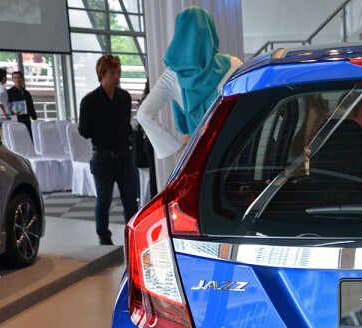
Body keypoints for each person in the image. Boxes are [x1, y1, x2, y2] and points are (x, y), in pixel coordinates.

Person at [137, 6, 242, 161]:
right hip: (236, 150)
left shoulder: (172, 75)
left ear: (180, 34)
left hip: (200, 158)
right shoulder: (234, 65)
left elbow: (143, 114)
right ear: (210, 32)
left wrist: (179, 148)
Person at [78, 54, 139, 245]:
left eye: (119, 72)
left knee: (131, 200)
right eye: (113, 73)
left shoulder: (124, 97)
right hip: (103, 157)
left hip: (125, 155)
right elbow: (84, 130)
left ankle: (133, 235)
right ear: (101, 74)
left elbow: (126, 125)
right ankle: (103, 235)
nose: (117, 77)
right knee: (104, 199)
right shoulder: (90, 101)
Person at [7, 70, 37, 139]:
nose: (17, 80)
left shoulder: (26, 93)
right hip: (15, 119)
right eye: (15, 78)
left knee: (29, 138)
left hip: (26, 119)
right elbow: (7, 106)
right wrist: (12, 113)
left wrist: (34, 117)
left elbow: (30, 106)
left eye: (19, 78)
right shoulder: (9, 92)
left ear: (22, 79)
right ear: (12, 80)